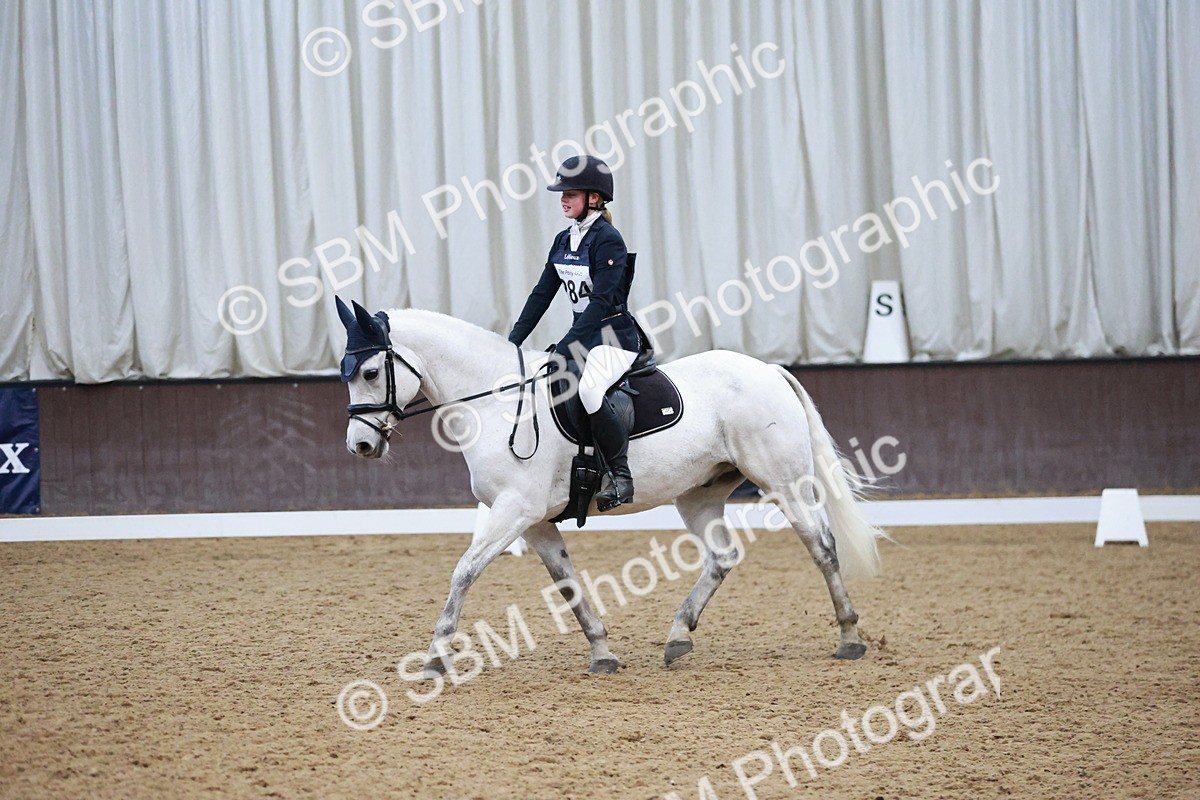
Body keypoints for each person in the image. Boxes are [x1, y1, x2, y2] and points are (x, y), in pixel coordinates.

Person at [507, 155, 641, 508]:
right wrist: (511, 343)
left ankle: (621, 476)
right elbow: (541, 295)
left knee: (592, 390)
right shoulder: (563, 240)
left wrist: (567, 344)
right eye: (561, 193)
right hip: (584, 335)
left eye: (571, 193)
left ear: (594, 199)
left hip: (614, 338)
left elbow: (601, 302)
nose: (563, 199)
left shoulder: (608, 240)